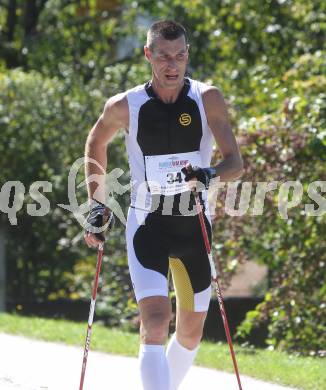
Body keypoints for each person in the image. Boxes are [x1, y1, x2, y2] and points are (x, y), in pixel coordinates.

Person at [84, 20, 243, 390]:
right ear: (148, 55)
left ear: (188, 56)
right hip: (148, 225)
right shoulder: (126, 105)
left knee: (190, 332)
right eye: (164, 57)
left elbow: (235, 163)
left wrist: (209, 173)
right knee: (155, 322)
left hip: (194, 225)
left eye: (181, 56)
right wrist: (96, 204)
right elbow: (96, 141)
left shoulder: (207, 98)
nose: (173, 66)